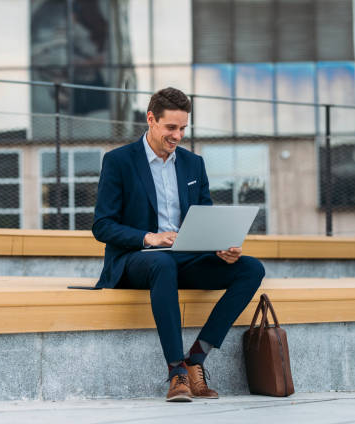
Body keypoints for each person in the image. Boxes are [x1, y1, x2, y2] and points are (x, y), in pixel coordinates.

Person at [92, 87, 265, 402]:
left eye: (183, 128)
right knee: (162, 262)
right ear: (151, 120)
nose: (178, 135)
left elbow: (205, 216)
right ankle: (176, 373)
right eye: (171, 127)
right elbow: (102, 226)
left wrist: (221, 246)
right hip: (138, 259)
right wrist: (150, 237)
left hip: (184, 257)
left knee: (251, 268)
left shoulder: (192, 164)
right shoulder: (119, 161)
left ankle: (196, 358)